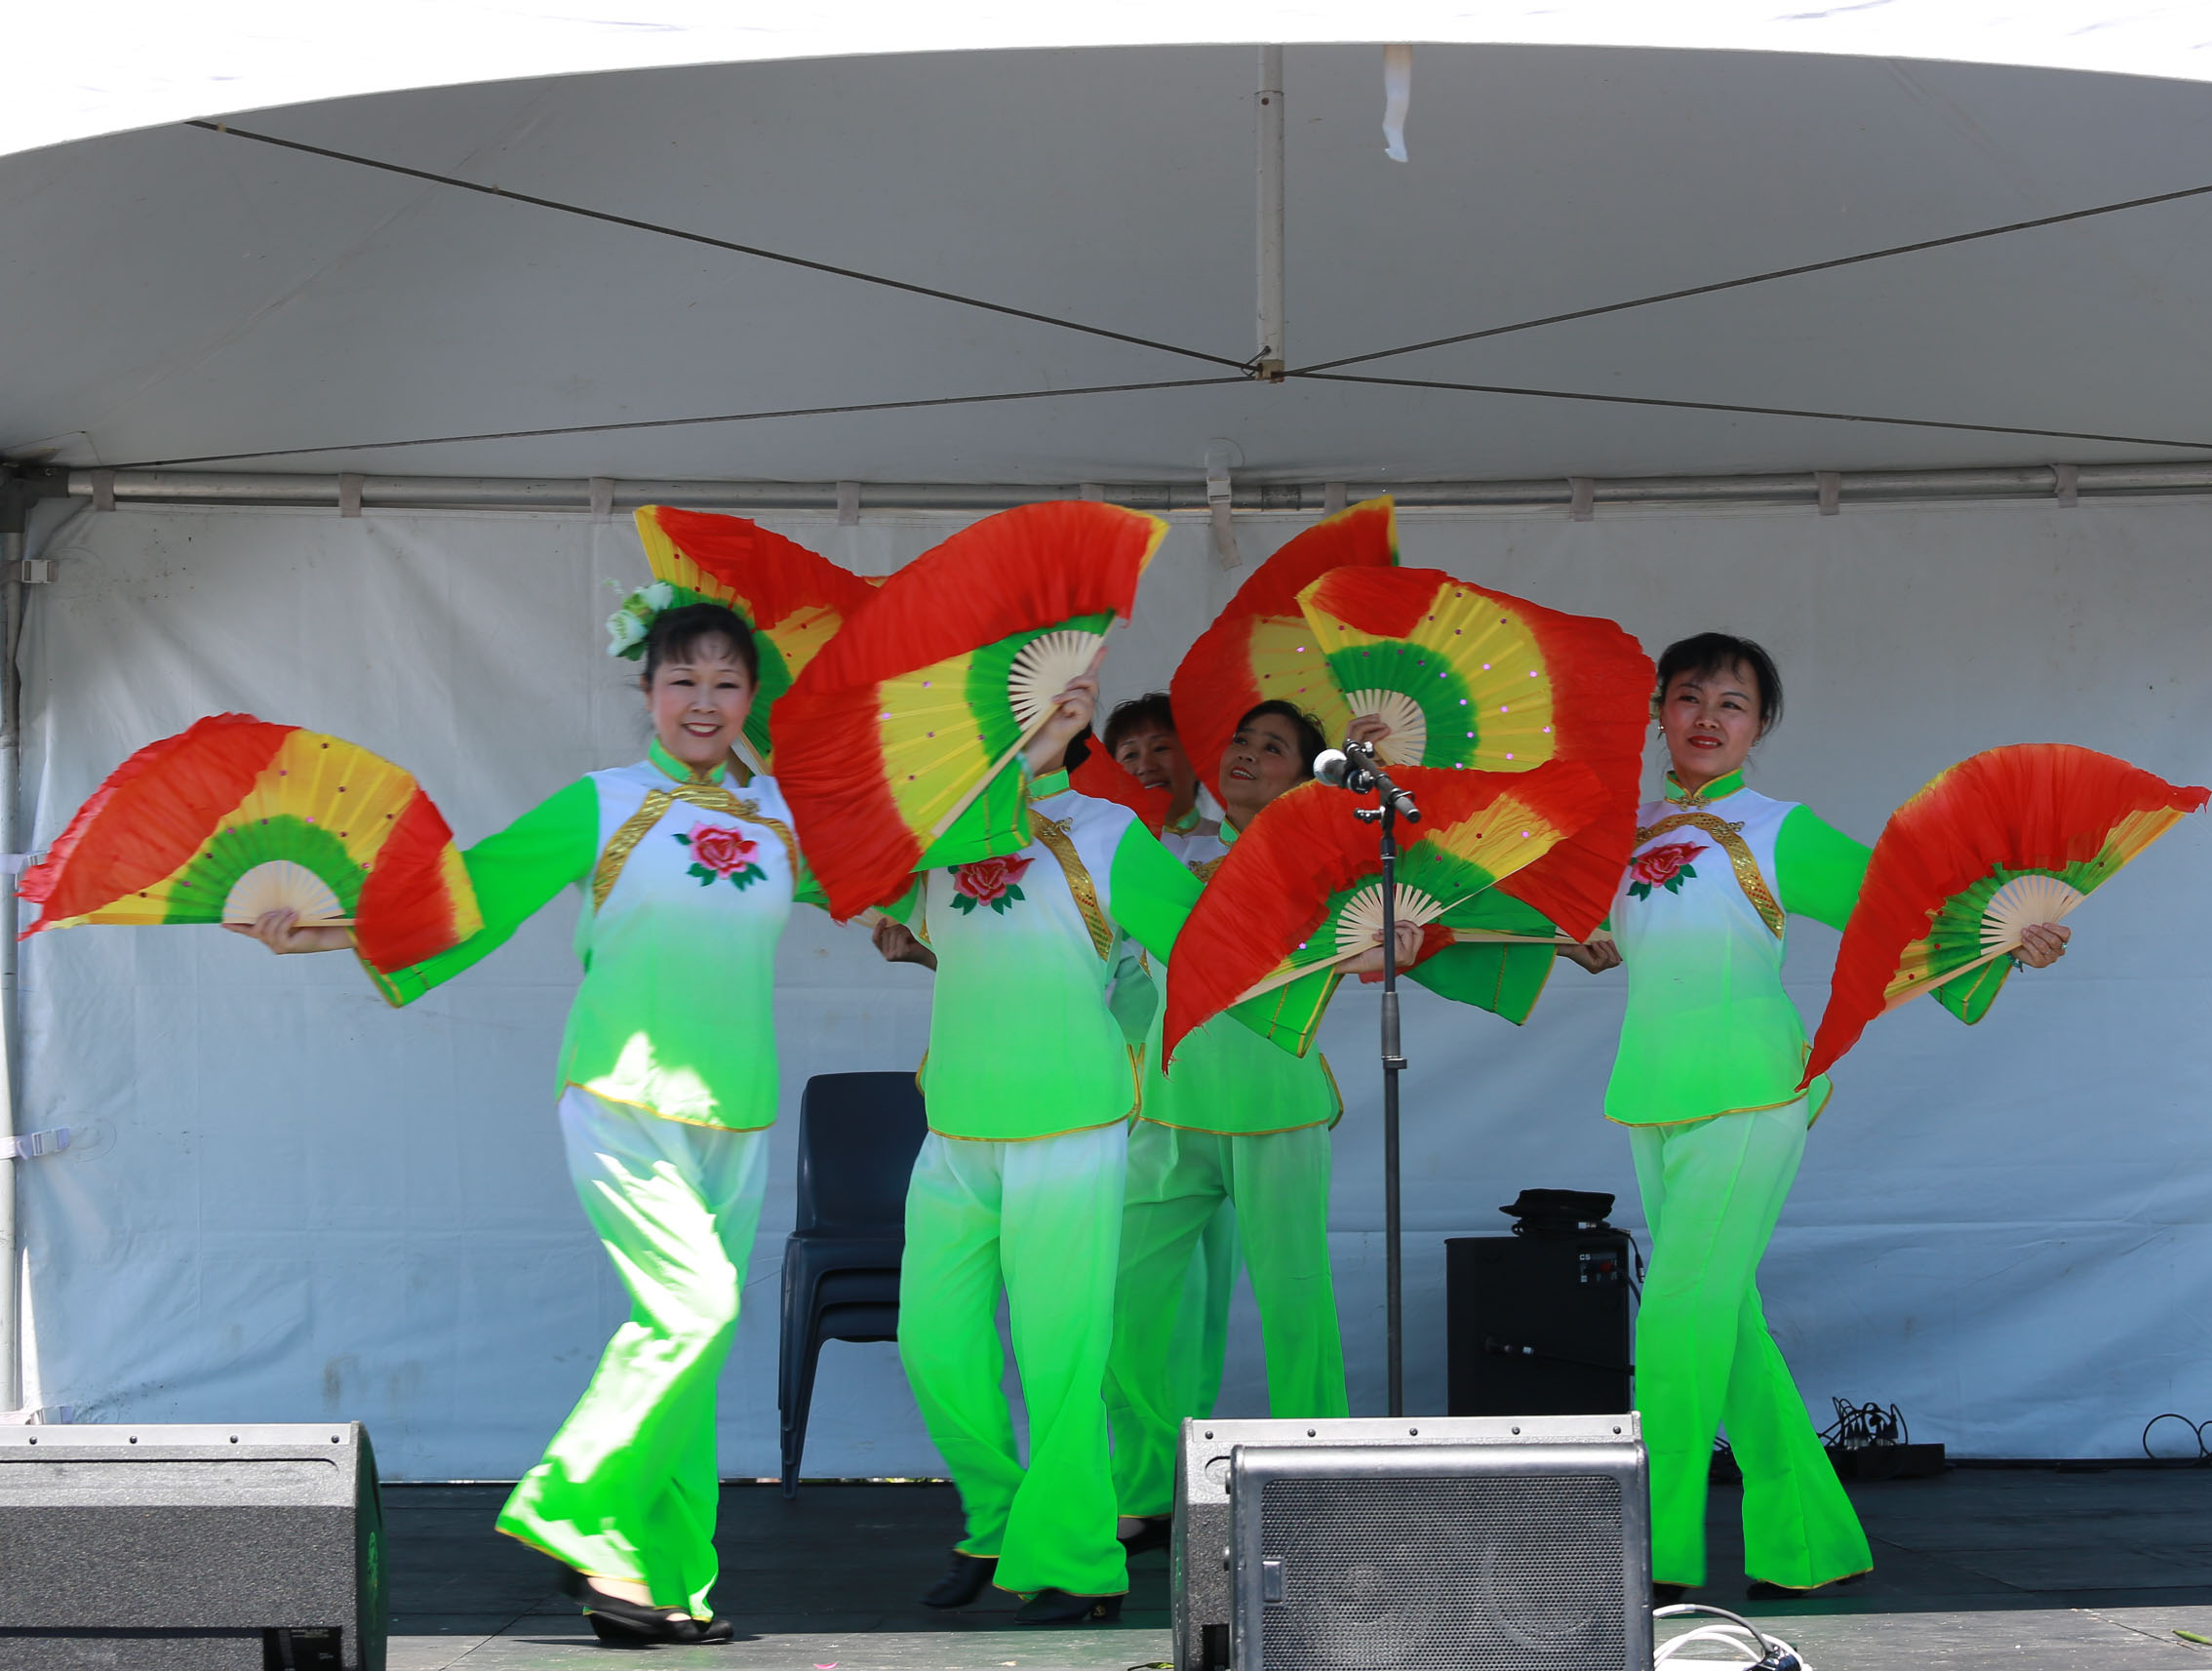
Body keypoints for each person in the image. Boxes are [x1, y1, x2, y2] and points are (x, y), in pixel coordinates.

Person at [230, 600, 1020, 1647]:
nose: (704, 701)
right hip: (621, 1093)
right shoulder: (602, 803)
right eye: (683, 680)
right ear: (647, 692)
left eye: (726, 683)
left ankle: (663, 1584)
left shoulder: (780, 817)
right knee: (691, 1311)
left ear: (751, 699)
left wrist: (1008, 765)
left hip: (737, 1113)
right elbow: (473, 891)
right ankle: (575, 1506)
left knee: (695, 1348)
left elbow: (877, 868)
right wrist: (329, 932)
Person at [873, 671, 1406, 1626]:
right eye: (1008, 707)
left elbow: (1211, 941)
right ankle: (1001, 1518)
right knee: (934, 1347)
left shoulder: (1109, 833)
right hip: (957, 1122)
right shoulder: (935, 826)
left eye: (1045, 706)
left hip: (1076, 1120)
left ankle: (1075, 1557)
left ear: (1068, 716)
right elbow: (844, 880)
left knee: (1066, 1354)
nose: (1025, 721)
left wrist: (1350, 952)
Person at [1568, 631, 2071, 1600]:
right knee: (1725, 1322)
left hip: (1753, 1090)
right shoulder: (1625, 831)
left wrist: (2009, 939)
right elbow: (1603, 939)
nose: (1709, 718)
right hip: (1653, 1091)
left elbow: (1902, 905)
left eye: (1733, 703)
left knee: (1675, 1316)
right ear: (1659, 713)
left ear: (1760, 726)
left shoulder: (1776, 828)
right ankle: (1809, 1541)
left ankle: (1654, 1555)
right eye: (1689, 697)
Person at [1103, 700, 1414, 1546]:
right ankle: (1148, 1483)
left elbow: (1382, 943)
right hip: (1170, 1105)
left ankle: (1322, 1483)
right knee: (1124, 1300)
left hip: (1277, 1108)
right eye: (1240, 737)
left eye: (1272, 746)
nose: (1245, 752)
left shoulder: (1325, 863)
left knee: (1294, 1307)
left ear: (1303, 777)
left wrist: (1399, 934)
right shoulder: (1166, 855)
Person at [1104, 692, 1219, 860]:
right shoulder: (1103, 853)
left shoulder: (1231, 846)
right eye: (1130, 755)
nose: (1145, 766)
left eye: (1160, 748)